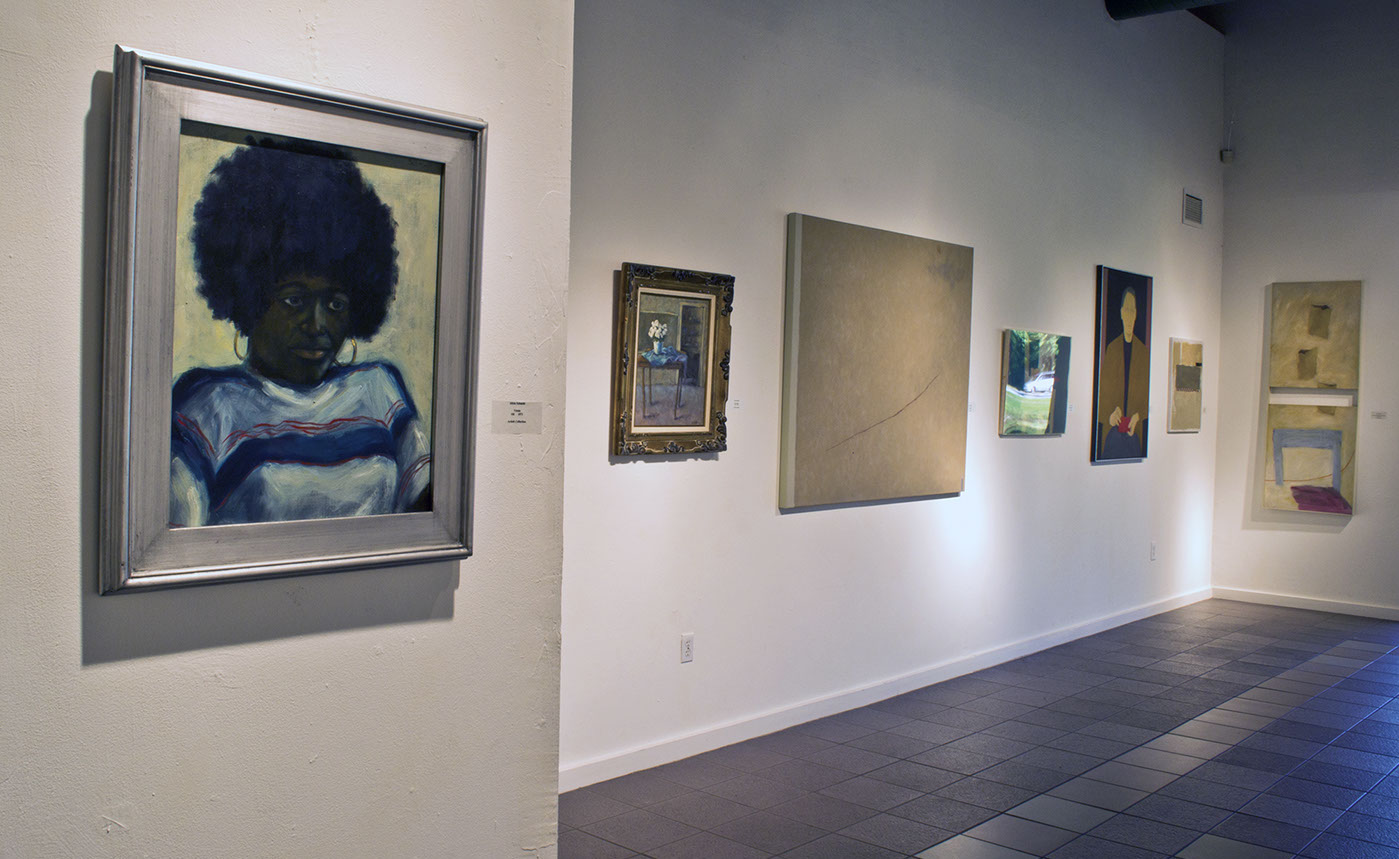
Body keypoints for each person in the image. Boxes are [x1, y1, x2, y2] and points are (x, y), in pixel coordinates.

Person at [169, 139, 431, 526]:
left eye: (335, 304)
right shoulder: (207, 407)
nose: (317, 324)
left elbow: (430, 517)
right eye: (294, 300)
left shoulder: (380, 391)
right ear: (248, 300)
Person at [1096, 285, 1149, 459]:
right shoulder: (1112, 349)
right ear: (1121, 313)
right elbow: (1100, 395)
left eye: (1132, 311)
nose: (1129, 316)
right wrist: (1110, 415)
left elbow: (1148, 398)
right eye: (1126, 310)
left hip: (1134, 436)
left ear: (1136, 314)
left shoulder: (1143, 353)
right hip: (1112, 436)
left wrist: (1138, 416)